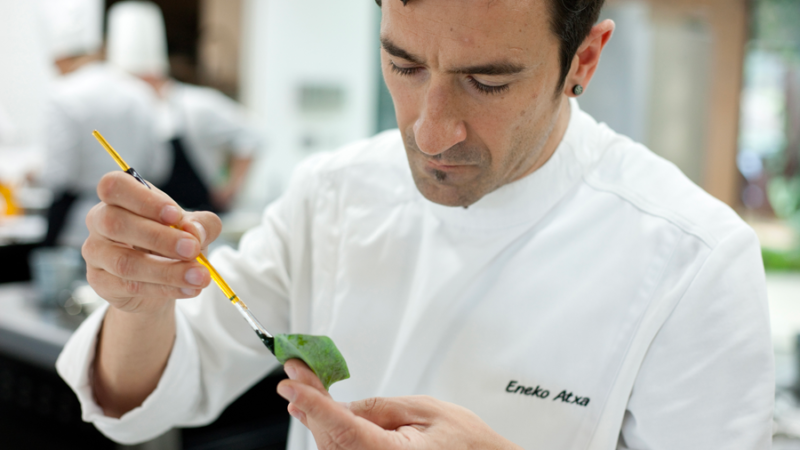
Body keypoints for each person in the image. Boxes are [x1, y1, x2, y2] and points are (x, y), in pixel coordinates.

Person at [57, 0, 774, 449]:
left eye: (487, 82)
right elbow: (141, 399)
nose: (431, 132)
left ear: (582, 59)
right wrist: (140, 302)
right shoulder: (333, 193)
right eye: (403, 65)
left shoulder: (693, 259)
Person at [106, 1, 259, 213]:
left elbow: (252, 135)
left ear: (152, 75)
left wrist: (229, 187)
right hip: (154, 216)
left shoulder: (197, 104)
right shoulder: (133, 114)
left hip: (200, 215)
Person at [37, 0, 168, 248]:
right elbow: (159, 166)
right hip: (139, 220)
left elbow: (59, 176)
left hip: (81, 227)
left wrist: (37, 175)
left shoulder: (62, 95)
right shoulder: (140, 92)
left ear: (59, 58)